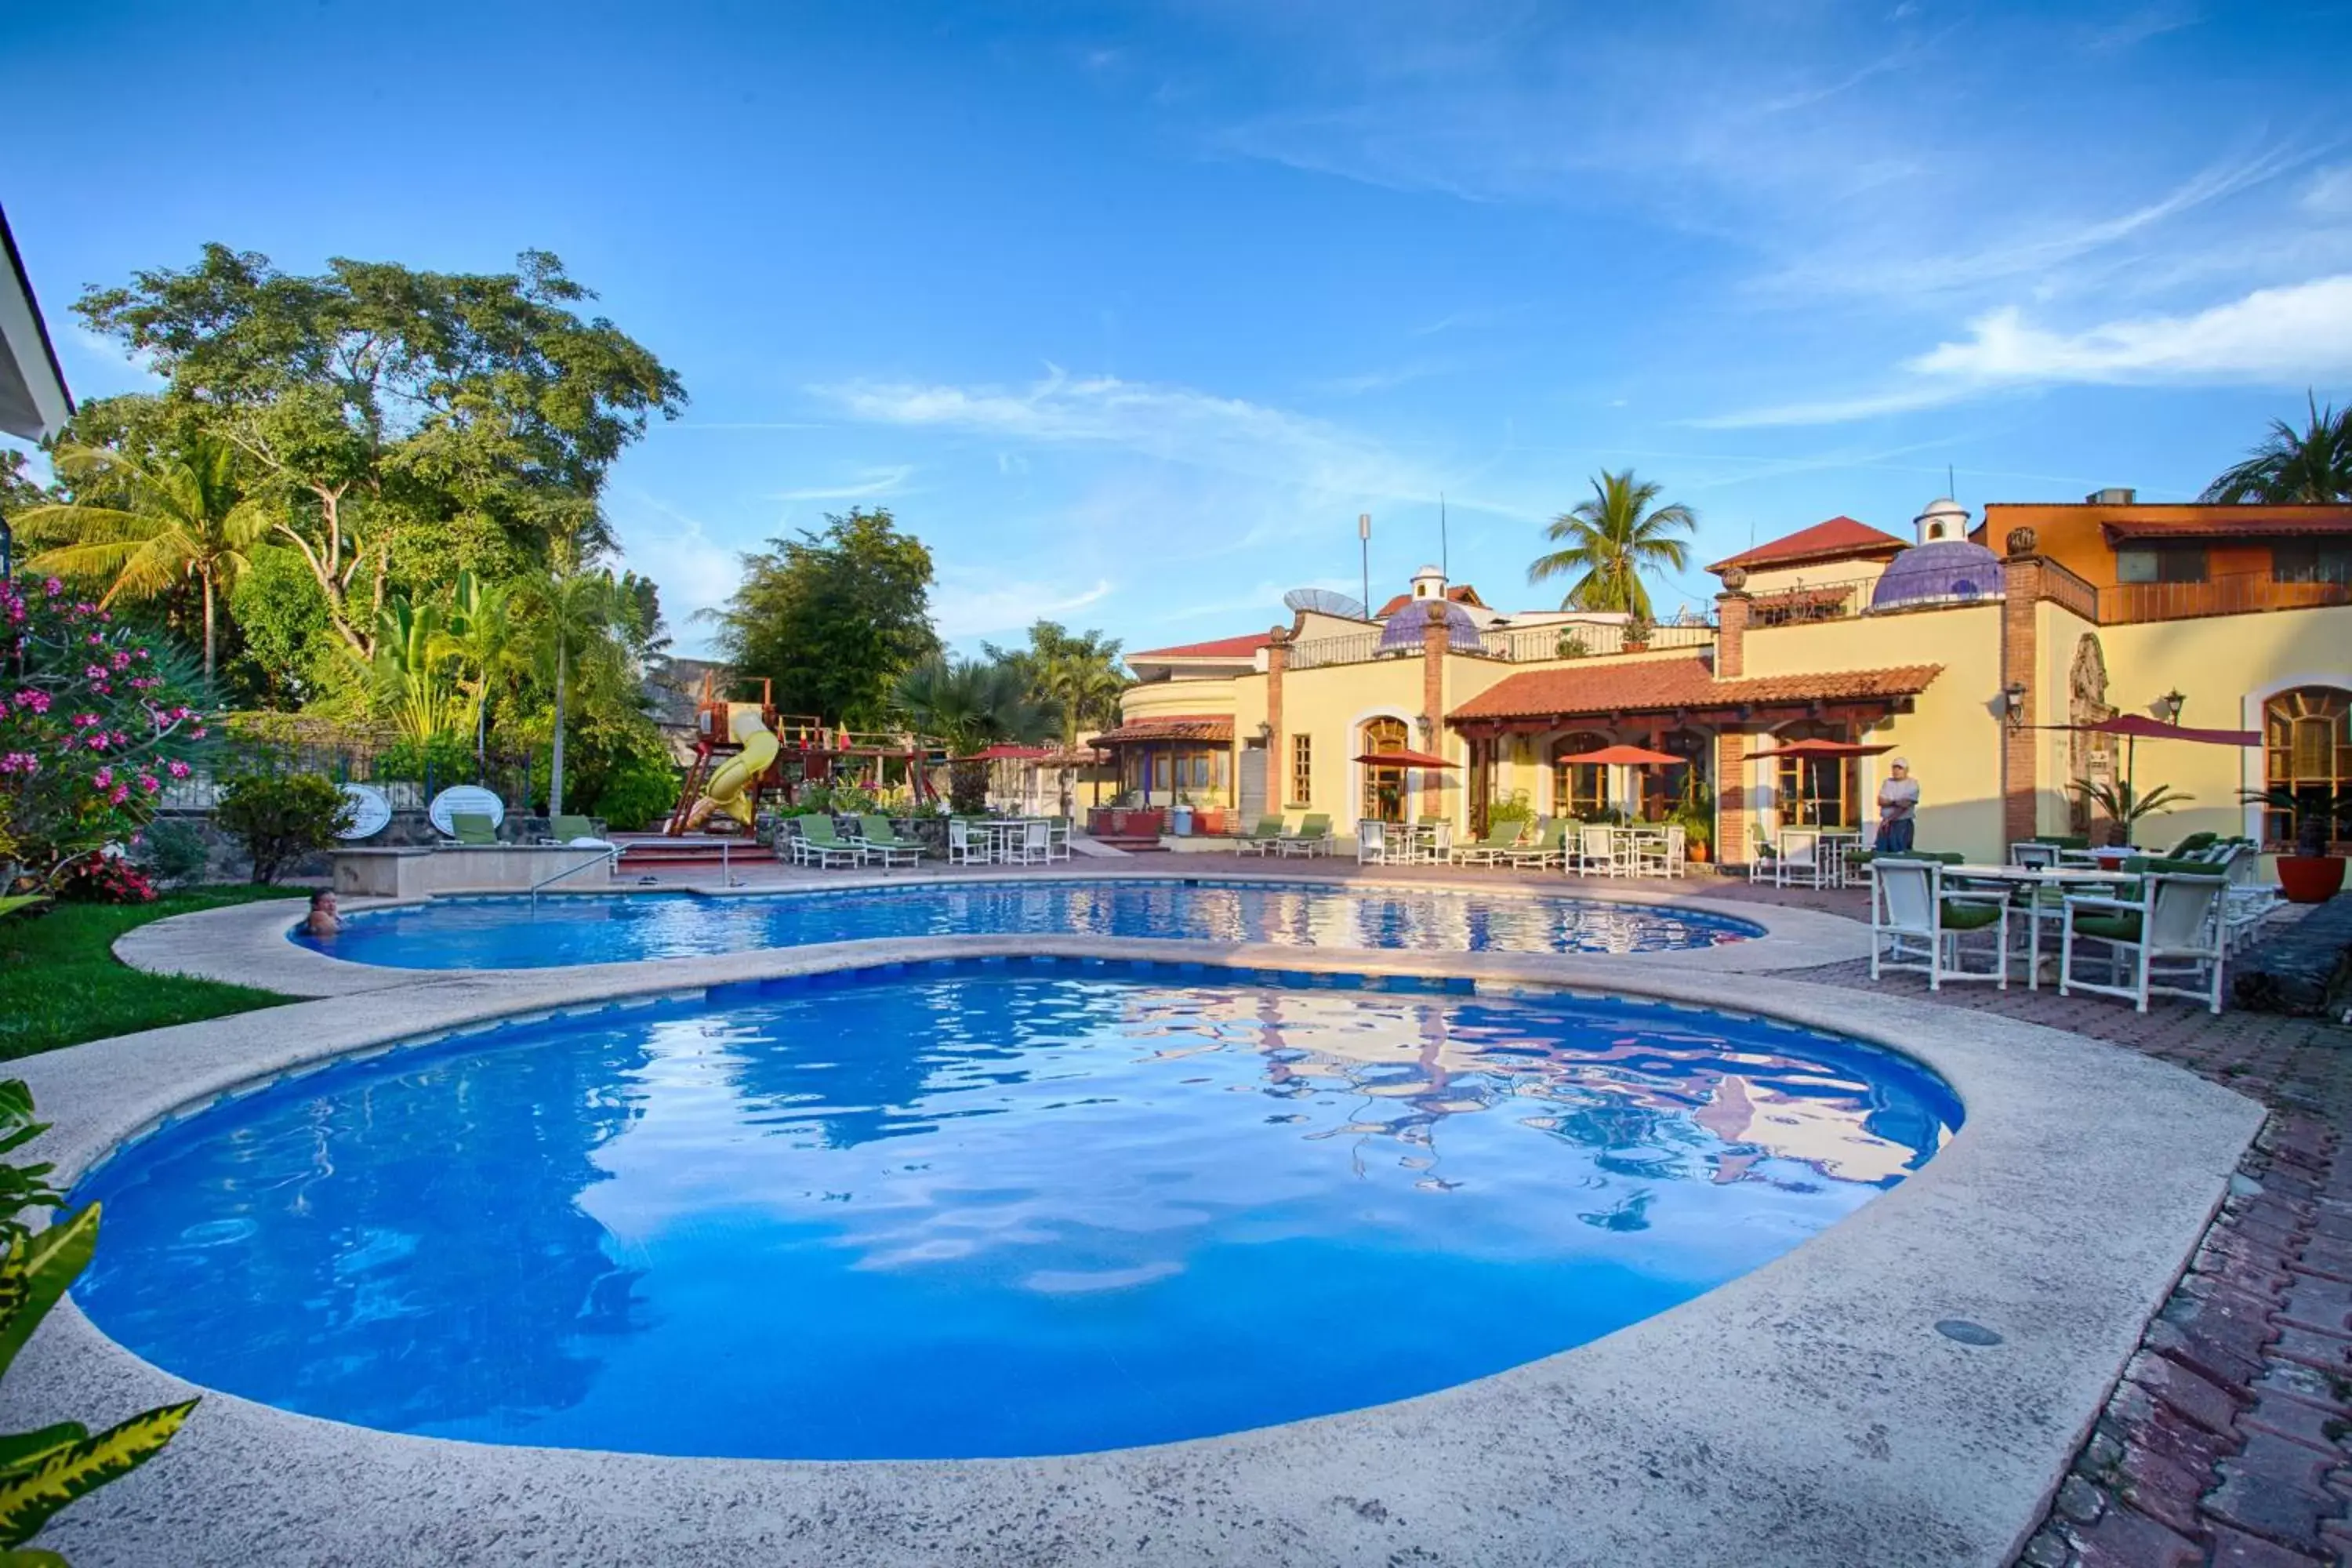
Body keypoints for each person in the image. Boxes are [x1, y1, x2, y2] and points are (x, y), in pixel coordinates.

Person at [1875, 757, 1919, 855]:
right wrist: (1895, 802)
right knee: (1881, 852)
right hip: (1886, 824)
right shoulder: (1887, 782)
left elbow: (1906, 804)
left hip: (1902, 823)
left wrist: (1890, 817)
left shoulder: (1912, 784)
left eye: (1900, 768)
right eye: (1894, 768)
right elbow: (1880, 801)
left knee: (1900, 852)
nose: (1896, 771)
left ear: (1906, 770)